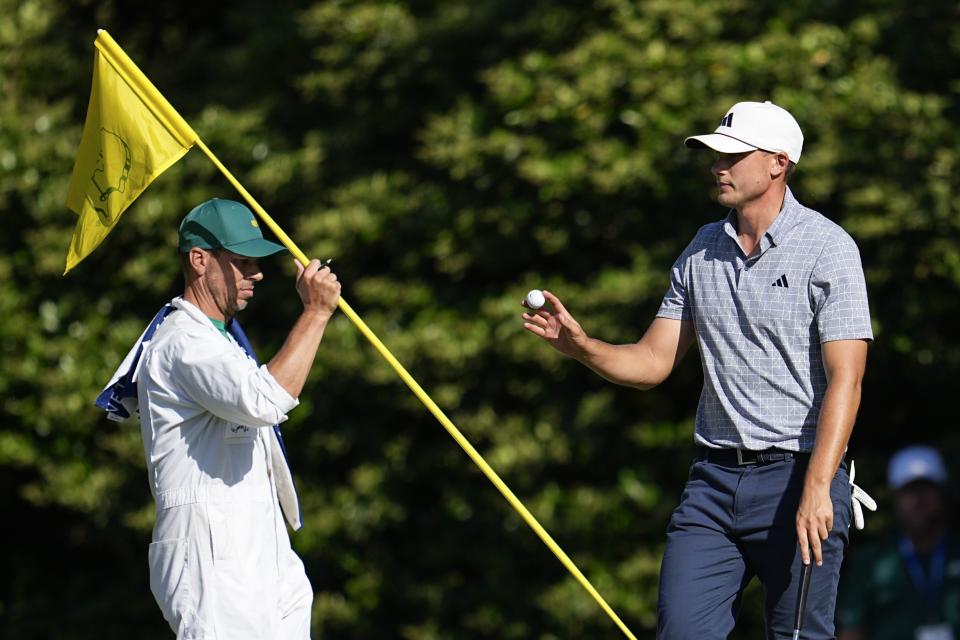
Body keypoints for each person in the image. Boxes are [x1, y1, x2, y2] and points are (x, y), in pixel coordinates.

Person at [521, 101, 873, 639]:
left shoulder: (829, 248)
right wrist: (584, 347)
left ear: (778, 163)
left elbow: (846, 380)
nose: (717, 166)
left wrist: (819, 486)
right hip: (712, 484)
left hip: (801, 476)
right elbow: (653, 362)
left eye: (733, 155)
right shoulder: (700, 250)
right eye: (714, 155)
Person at [97, 198, 341, 638]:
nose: (257, 275)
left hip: (256, 545)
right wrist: (317, 313)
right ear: (199, 260)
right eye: (243, 262)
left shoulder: (220, 340)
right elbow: (265, 399)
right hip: (209, 552)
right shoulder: (183, 342)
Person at [837, 445, 960, 640]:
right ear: (894, 497)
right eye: (909, 490)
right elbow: (851, 631)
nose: (919, 499)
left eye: (926, 487)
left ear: (944, 493)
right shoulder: (869, 561)